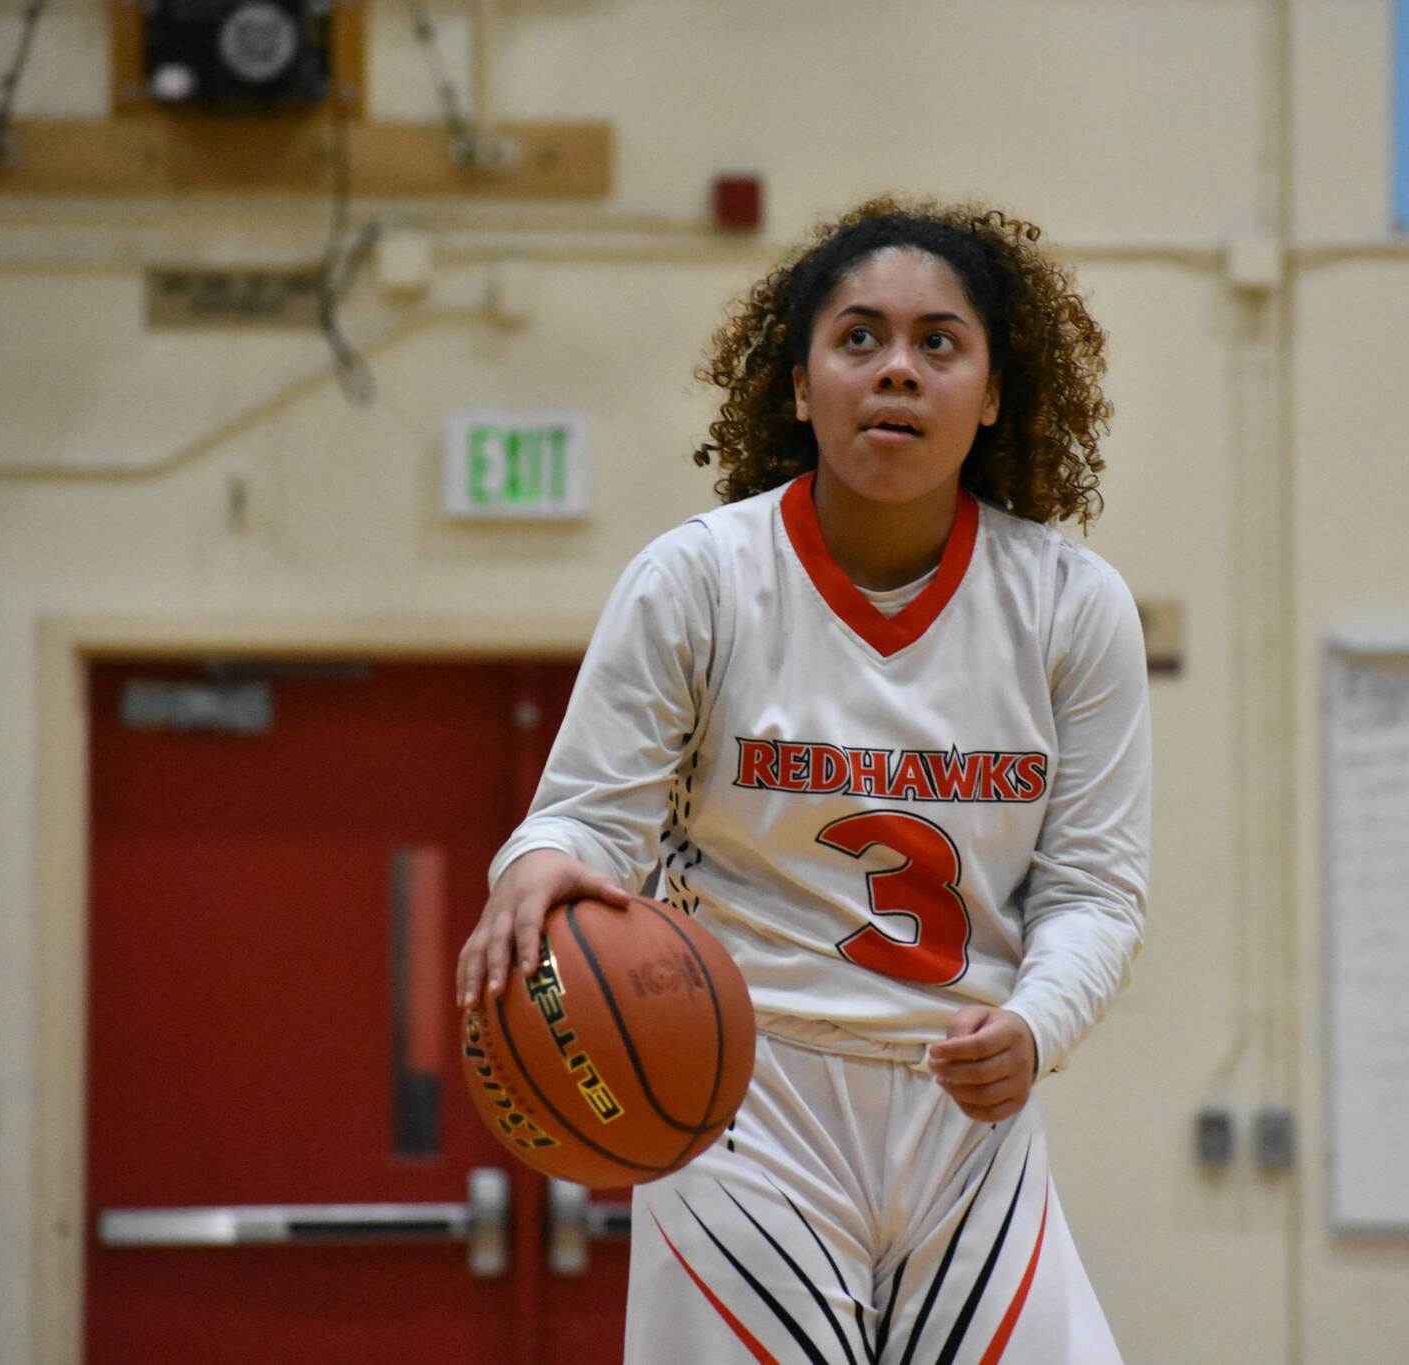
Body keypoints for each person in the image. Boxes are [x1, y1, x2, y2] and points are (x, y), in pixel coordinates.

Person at [457, 195, 1150, 1364]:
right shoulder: (699, 580)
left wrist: (1033, 1027)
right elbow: (585, 816)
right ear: (797, 383)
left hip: (968, 1113)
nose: (896, 370)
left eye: (938, 343)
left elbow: (1094, 889)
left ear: (990, 395)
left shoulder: (1071, 607)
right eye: (858, 337)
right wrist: (532, 867)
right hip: (741, 1097)